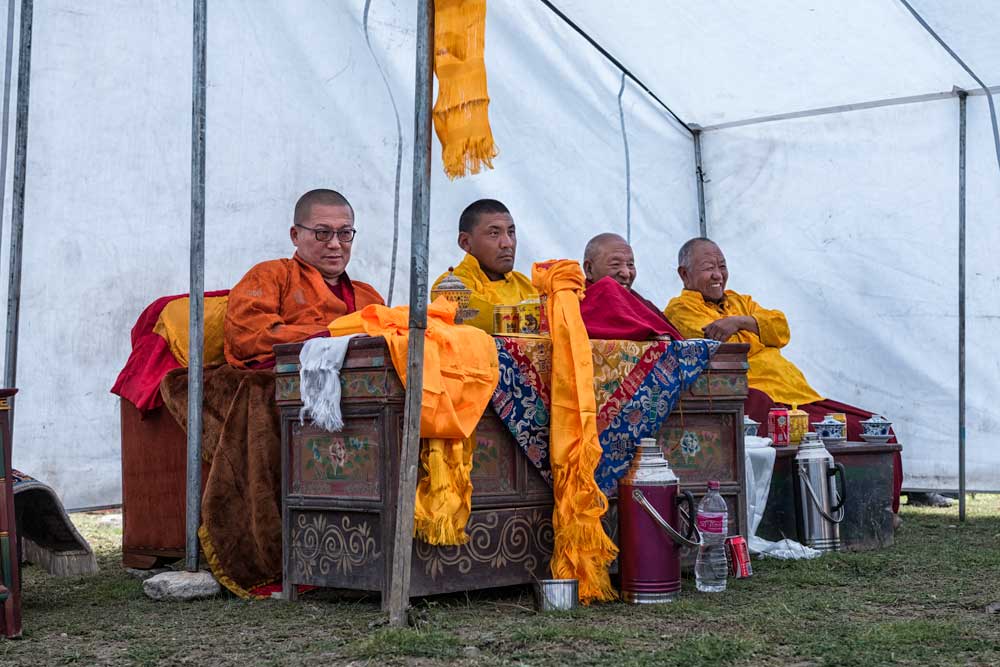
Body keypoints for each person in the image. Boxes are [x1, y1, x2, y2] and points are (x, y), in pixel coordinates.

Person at [665, 237, 904, 512]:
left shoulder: (741, 302)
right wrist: (757, 331)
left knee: (877, 428)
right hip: (764, 399)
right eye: (709, 268)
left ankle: (883, 511)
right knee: (850, 431)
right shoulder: (680, 310)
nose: (718, 275)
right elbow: (725, 344)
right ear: (684, 274)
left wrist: (739, 321)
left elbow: (781, 328)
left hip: (799, 395)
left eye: (722, 266)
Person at [224, 189, 385, 368]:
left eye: (345, 233)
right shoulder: (270, 276)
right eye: (322, 233)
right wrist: (336, 334)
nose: (335, 244)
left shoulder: (369, 297)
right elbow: (247, 336)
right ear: (295, 235)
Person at [431, 199, 536, 333]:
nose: (508, 243)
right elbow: (484, 319)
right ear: (465, 242)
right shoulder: (448, 286)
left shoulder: (526, 285)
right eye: (494, 233)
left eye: (511, 232)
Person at [580, 233, 682, 340]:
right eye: (615, 264)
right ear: (589, 269)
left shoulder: (643, 305)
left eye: (630, 265)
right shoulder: (576, 306)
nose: (626, 273)